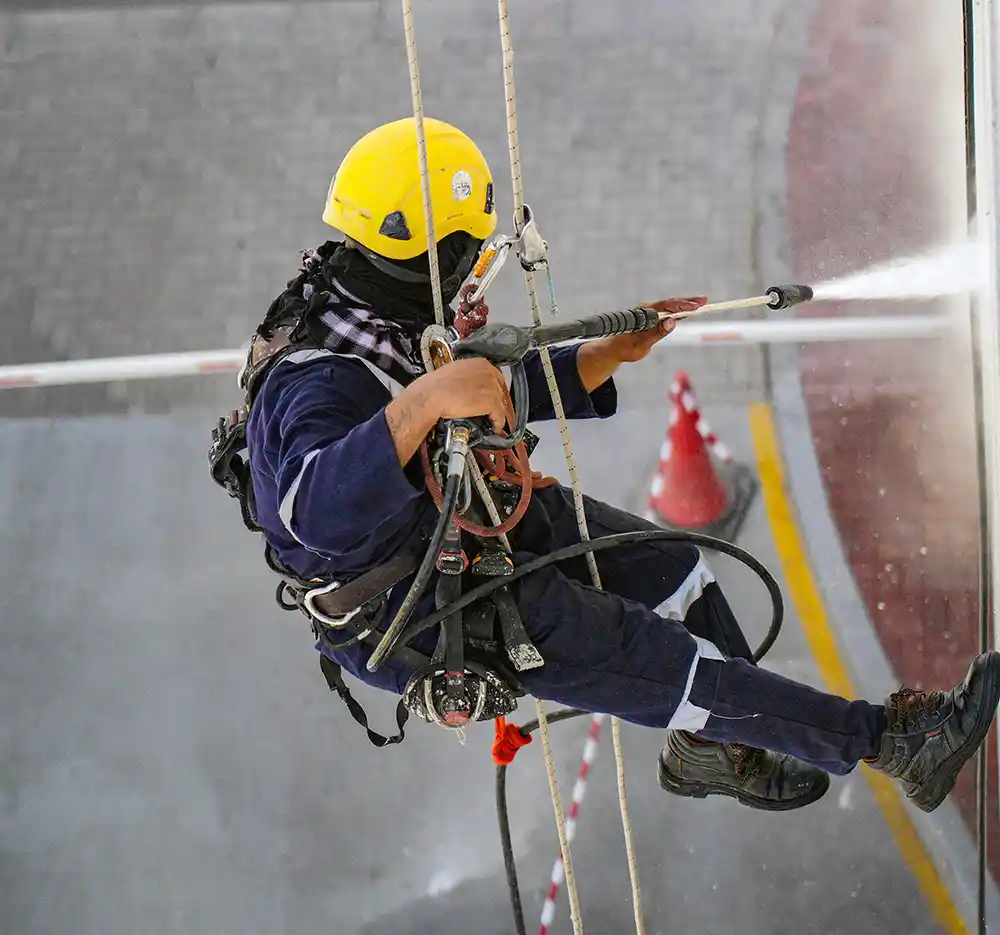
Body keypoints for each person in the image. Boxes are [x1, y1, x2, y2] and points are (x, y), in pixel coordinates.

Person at [241, 116, 1000, 814]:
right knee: (677, 670)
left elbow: (478, 394)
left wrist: (600, 357)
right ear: (428, 254)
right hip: (418, 606)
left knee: (675, 571)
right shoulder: (318, 376)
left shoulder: (374, 312)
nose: (474, 271)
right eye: (466, 255)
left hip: (452, 518)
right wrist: (425, 402)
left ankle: (712, 750)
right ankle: (892, 745)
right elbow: (313, 511)